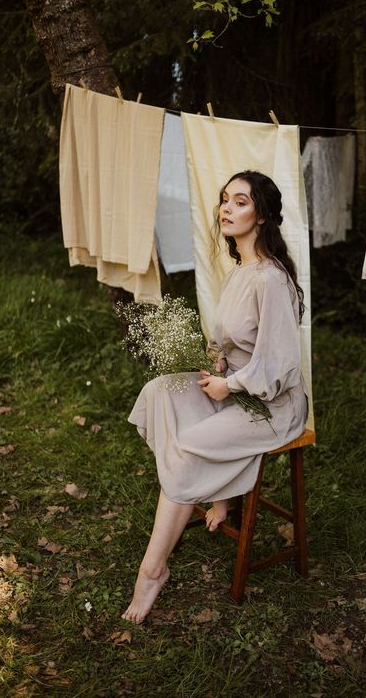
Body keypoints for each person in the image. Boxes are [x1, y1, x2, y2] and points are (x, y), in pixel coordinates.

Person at [122, 170, 308, 623]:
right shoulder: (240, 270)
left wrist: (233, 384)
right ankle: (208, 492)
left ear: (261, 216)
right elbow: (236, 342)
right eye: (225, 200)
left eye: (240, 201)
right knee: (161, 393)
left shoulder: (270, 279)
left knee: (186, 449)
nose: (226, 208)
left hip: (272, 404)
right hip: (239, 385)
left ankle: (152, 570)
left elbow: (280, 364)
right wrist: (219, 363)